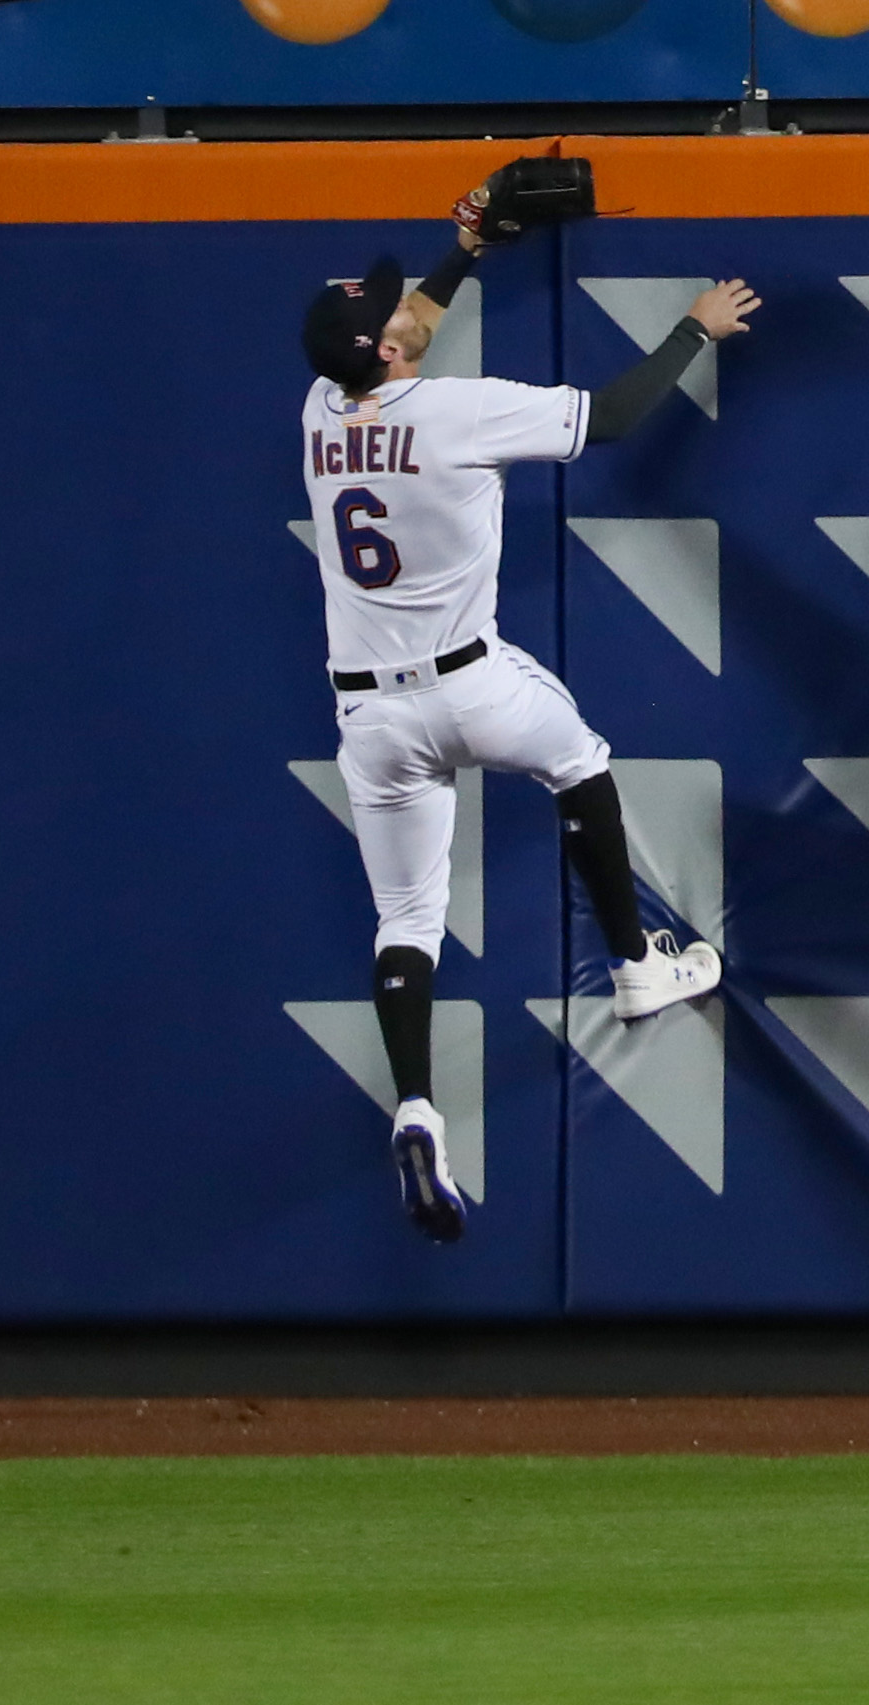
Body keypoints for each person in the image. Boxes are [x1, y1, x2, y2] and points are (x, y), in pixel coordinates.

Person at [296, 170, 750, 1243]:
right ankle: (637, 965)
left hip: (371, 718)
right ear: (391, 354)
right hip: (471, 683)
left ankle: (415, 1105)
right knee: (580, 760)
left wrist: (464, 250)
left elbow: (397, 342)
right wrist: (696, 327)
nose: (401, 311)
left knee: (405, 920)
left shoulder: (318, 408)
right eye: (388, 312)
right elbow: (619, 415)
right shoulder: (461, 408)